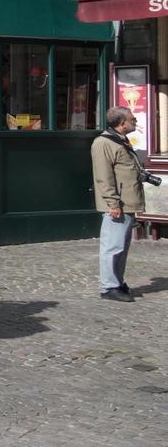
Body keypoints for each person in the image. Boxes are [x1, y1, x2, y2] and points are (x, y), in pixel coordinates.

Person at [92, 106, 145, 303]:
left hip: (128, 201)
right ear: (122, 122)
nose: (136, 120)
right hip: (117, 204)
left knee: (121, 246)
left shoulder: (120, 140)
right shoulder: (103, 143)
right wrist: (113, 203)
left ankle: (117, 282)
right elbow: (103, 177)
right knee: (112, 247)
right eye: (132, 118)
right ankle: (109, 287)